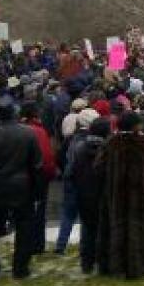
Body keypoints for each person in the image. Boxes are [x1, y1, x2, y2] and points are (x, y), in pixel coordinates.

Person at [0, 103, 43, 280]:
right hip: (22, 186)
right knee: (24, 228)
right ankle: (20, 267)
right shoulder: (28, 133)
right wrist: (37, 190)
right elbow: (37, 165)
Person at [96, 111, 144, 278]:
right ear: (137, 125)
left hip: (116, 195)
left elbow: (98, 167)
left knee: (115, 227)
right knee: (143, 229)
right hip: (143, 195)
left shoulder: (110, 143)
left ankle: (115, 264)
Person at [68, 117, 110, 273]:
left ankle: (87, 262)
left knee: (87, 229)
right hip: (104, 193)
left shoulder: (79, 148)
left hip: (84, 193)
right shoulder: (108, 149)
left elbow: (70, 172)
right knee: (105, 228)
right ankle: (104, 263)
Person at [54, 107, 99, 254]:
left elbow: (60, 156)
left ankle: (60, 244)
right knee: (86, 213)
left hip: (70, 178)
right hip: (86, 180)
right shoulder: (92, 141)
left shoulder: (70, 139)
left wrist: (65, 169)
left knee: (68, 213)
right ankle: (84, 245)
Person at [20, 102, 57, 254]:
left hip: (20, 177)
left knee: (23, 213)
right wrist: (49, 175)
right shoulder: (39, 131)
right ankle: (37, 244)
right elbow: (47, 157)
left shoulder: (20, 130)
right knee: (39, 211)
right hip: (38, 177)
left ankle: (24, 244)